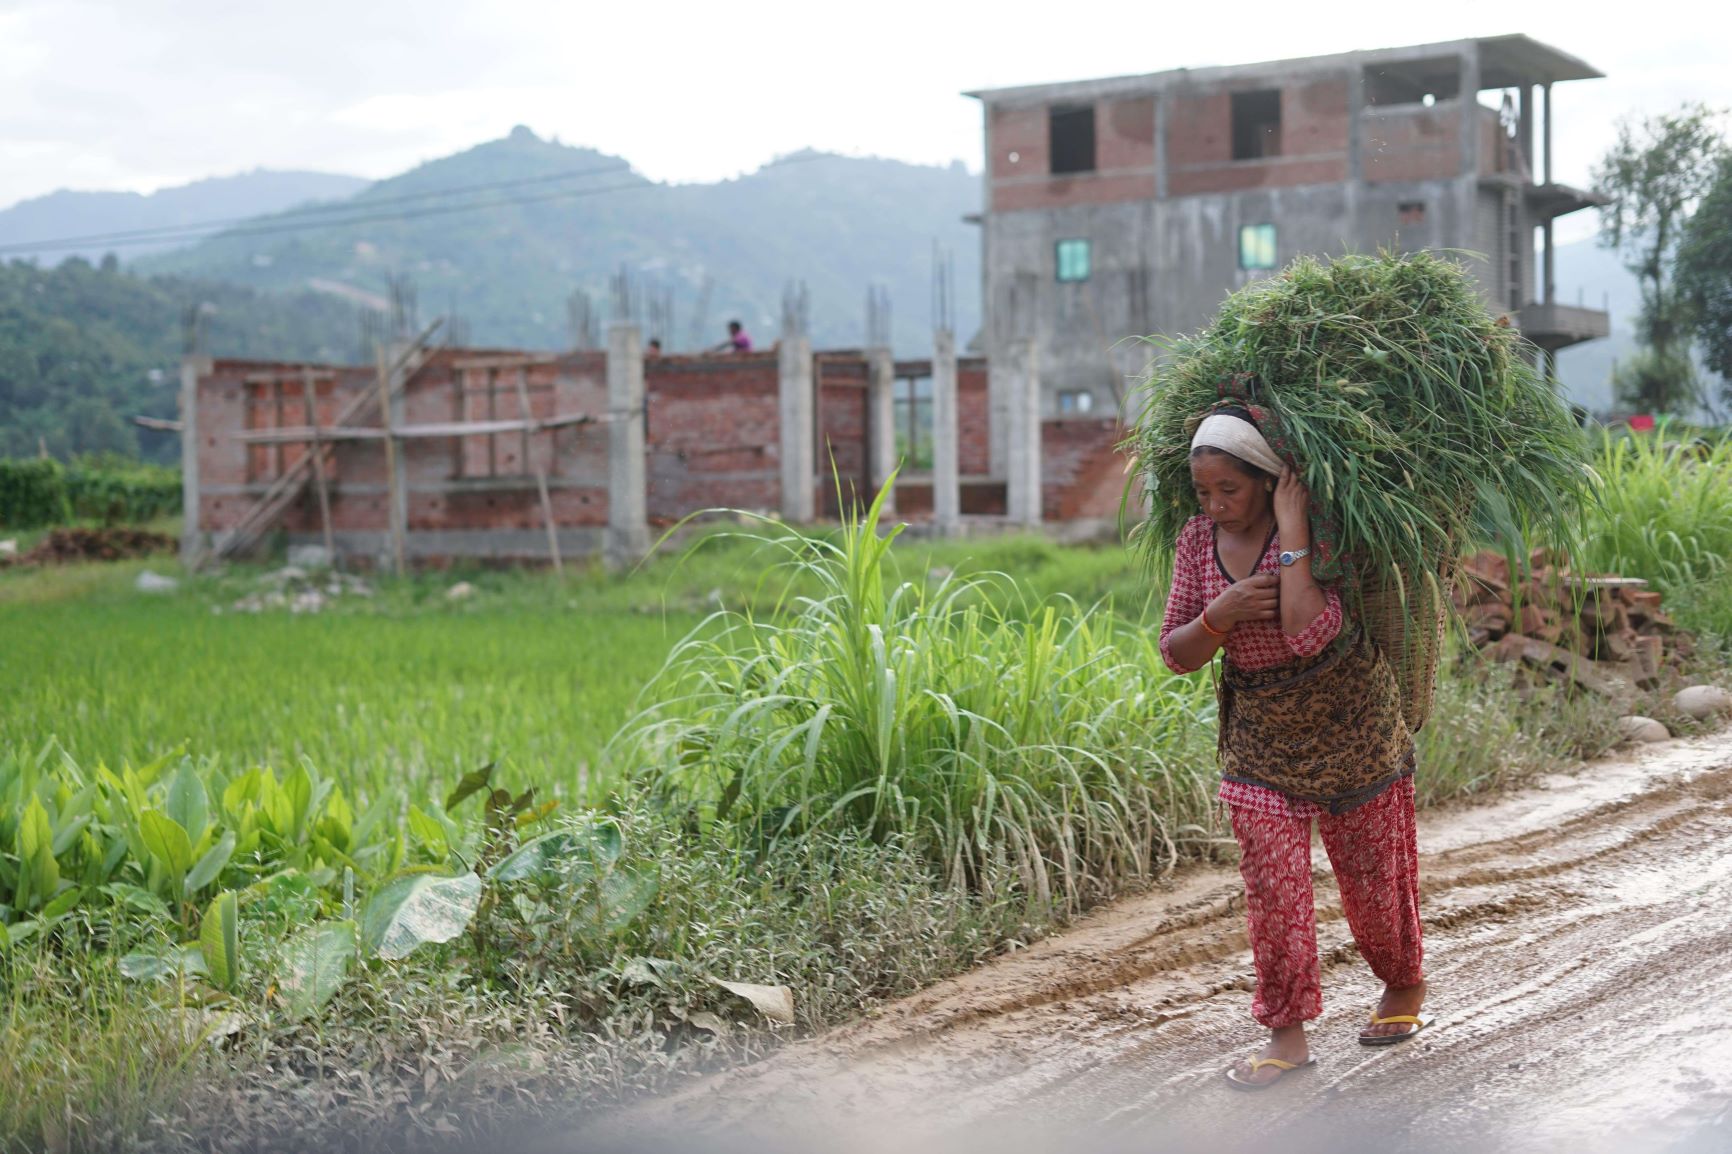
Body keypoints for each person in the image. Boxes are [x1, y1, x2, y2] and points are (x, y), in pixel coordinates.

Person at [1157, 406, 1427, 1091]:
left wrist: (1295, 529)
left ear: (1269, 481)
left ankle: (1402, 985)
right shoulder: (1196, 543)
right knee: (1273, 893)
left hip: (1351, 726)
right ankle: (1286, 1036)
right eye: (1205, 493)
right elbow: (1176, 653)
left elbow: (1309, 632)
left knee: (1371, 885)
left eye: (1231, 490)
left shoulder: (1323, 532)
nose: (1216, 506)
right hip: (1261, 736)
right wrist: (1221, 615)